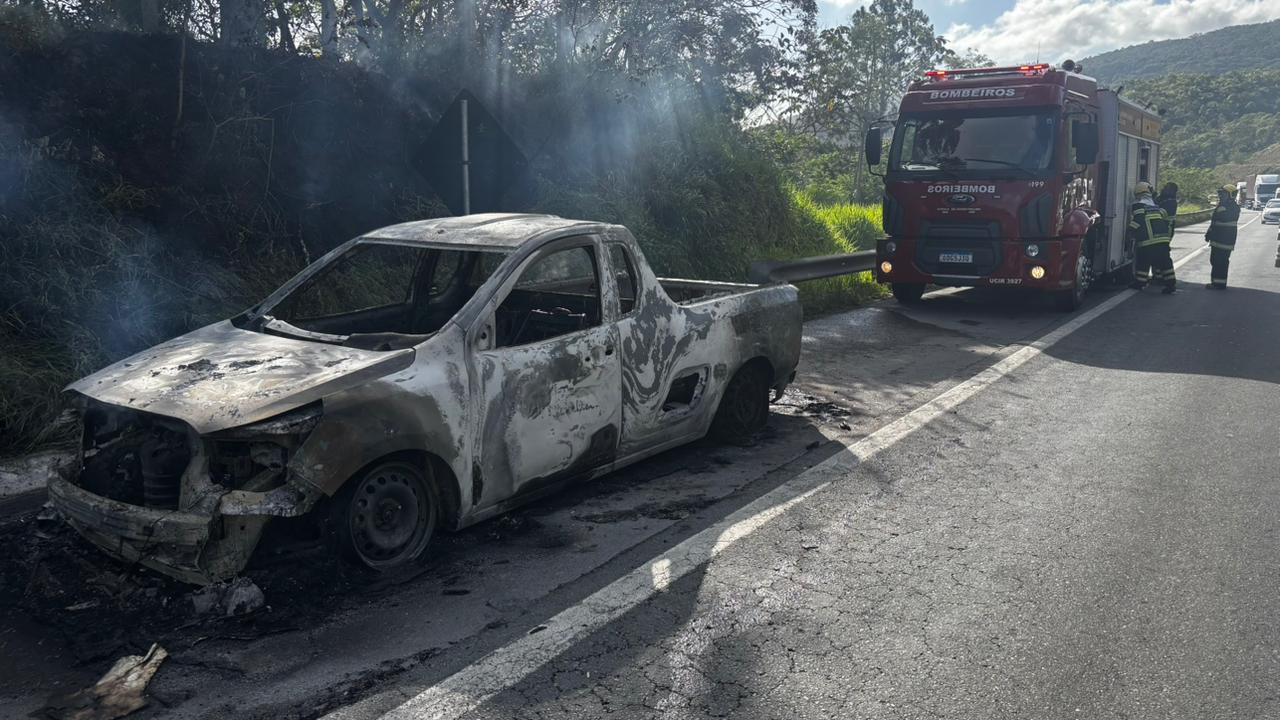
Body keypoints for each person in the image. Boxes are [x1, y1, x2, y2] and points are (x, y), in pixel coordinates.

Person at [1128, 181, 1176, 293]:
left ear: (1138, 194)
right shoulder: (1154, 205)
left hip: (1149, 240)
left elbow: (1138, 219)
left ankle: (1140, 283)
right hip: (1163, 239)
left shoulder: (1138, 205)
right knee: (1165, 263)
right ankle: (1170, 285)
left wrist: (1130, 230)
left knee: (1143, 261)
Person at [1205, 184, 1241, 289]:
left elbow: (1224, 218)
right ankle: (1215, 282)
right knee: (1214, 260)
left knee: (1221, 261)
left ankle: (1219, 284)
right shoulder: (1221, 206)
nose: (1220, 196)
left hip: (1225, 240)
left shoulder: (1233, 207)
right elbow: (1214, 222)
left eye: (1223, 194)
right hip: (1217, 239)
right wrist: (1209, 233)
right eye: (1220, 194)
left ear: (1230, 195)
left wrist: (1220, 210)